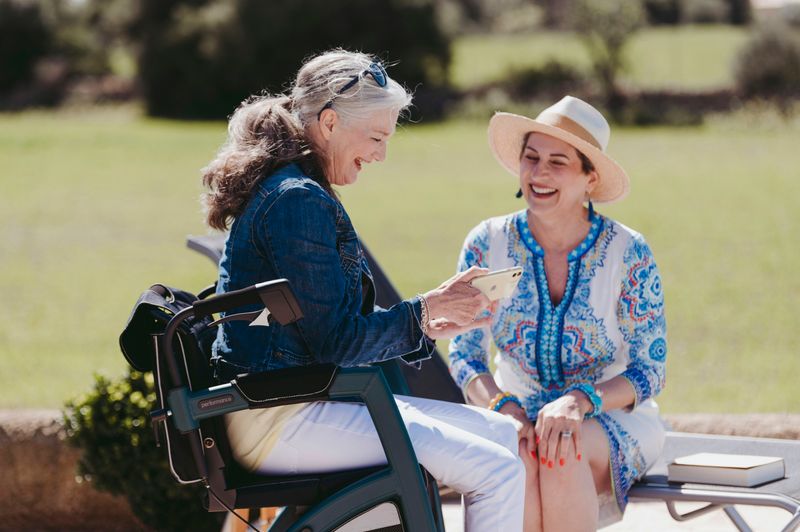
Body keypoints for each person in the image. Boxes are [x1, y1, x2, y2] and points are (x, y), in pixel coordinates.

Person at [200, 49, 525, 530]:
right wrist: (422, 313)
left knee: (502, 435)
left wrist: (429, 316)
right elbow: (336, 341)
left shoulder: (297, 188)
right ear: (329, 123)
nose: (380, 153)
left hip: (290, 405)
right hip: (280, 420)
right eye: (375, 137)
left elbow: (329, 328)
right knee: (497, 469)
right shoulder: (296, 201)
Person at [449, 96, 667, 531]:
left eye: (558, 162)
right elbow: (464, 354)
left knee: (559, 447)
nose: (539, 172)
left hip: (607, 419)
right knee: (520, 453)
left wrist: (578, 402)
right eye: (531, 158)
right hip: (513, 416)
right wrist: (502, 406)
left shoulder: (629, 253)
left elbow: (651, 370)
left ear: (590, 178)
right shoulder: (485, 243)